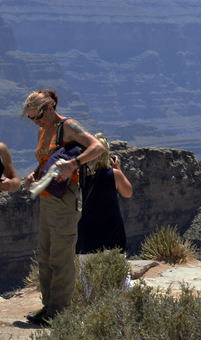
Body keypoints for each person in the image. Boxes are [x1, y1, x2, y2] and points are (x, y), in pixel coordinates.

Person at [21, 88, 105, 325]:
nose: (35, 121)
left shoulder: (68, 126)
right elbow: (48, 161)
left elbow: (97, 147)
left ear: (49, 108)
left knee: (61, 255)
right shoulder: (42, 130)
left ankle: (60, 311)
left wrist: (74, 164)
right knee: (46, 253)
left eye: (37, 115)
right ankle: (48, 306)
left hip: (65, 198)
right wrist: (33, 174)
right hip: (47, 198)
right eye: (30, 118)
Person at [77, 134, 132, 256]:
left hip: (86, 235)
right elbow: (128, 193)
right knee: (115, 272)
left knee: (87, 272)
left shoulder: (79, 177)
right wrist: (118, 169)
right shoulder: (114, 175)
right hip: (112, 234)